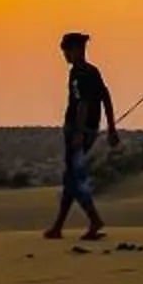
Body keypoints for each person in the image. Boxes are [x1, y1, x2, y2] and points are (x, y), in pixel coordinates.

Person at [44, 32, 118, 241]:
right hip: (90, 130)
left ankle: (94, 219)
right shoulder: (93, 72)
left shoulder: (78, 74)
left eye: (67, 50)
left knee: (75, 178)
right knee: (71, 178)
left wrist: (77, 132)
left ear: (76, 49)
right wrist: (111, 128)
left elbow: (82, 104)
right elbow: (106, 97)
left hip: (79, 132)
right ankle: (58, 227)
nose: (65, 55)